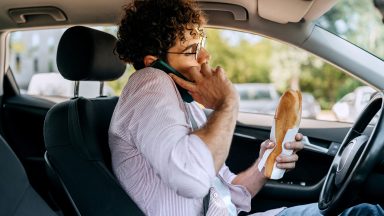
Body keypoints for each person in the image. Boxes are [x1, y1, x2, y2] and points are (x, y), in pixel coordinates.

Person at [108, 0, 384, 215]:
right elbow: (192, 179)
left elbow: (224, 191)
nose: (206, 56)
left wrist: (265, 164)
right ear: (152, 61)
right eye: (191, 50)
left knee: (365, 212)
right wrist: (227, 103)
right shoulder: (149, 82)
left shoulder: (183, 101)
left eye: (201, 44)